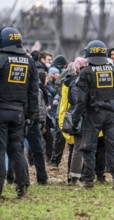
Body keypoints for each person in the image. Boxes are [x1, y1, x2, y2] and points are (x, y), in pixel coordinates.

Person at [71, 40, 114, 189]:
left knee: (88, 147)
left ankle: (88, 181)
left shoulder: (86, 72)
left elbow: (81, 100)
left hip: (92, 114)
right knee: (113, 146)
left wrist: (75, 119)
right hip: (110, 114)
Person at [0, 27, 39, 198]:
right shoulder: (29, 61)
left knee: (0, 151)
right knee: (17, 150)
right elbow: (33, 92)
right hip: (19, 114)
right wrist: (31, 116)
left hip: (1, 111)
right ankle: (23, 189)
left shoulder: (1, 59)